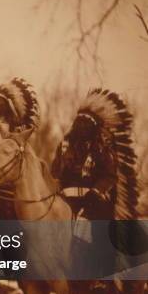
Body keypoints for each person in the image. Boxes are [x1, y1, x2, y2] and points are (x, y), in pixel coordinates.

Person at [51, 89, 139, 280]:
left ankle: (100, 273)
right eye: (79, 122)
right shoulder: (65, 145)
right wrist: (56, 177)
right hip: (66, 198)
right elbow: (55, 172)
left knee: (94, 230)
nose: (81, 126)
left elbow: (109, 176)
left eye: (86, 123)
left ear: (94, 128)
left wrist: (96, 192)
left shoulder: (102, 148)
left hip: (95, 200)